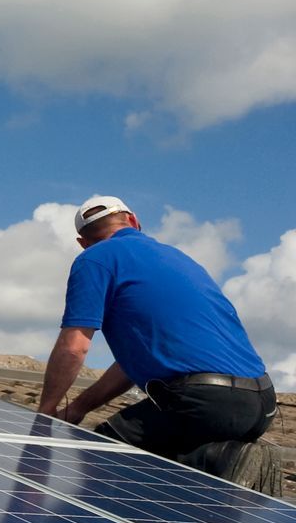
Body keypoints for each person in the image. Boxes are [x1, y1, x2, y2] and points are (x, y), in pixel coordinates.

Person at [39, 195, 280, 495]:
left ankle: (218, 461)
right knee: (160, 482)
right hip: (261, 403)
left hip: (203, 401)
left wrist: (46, 410)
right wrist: (79, 407)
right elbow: (128, 369)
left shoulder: (95, 258)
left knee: (100, 455)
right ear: (133, 221)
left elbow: (74, 346)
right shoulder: (178, 258)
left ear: (82, 242)